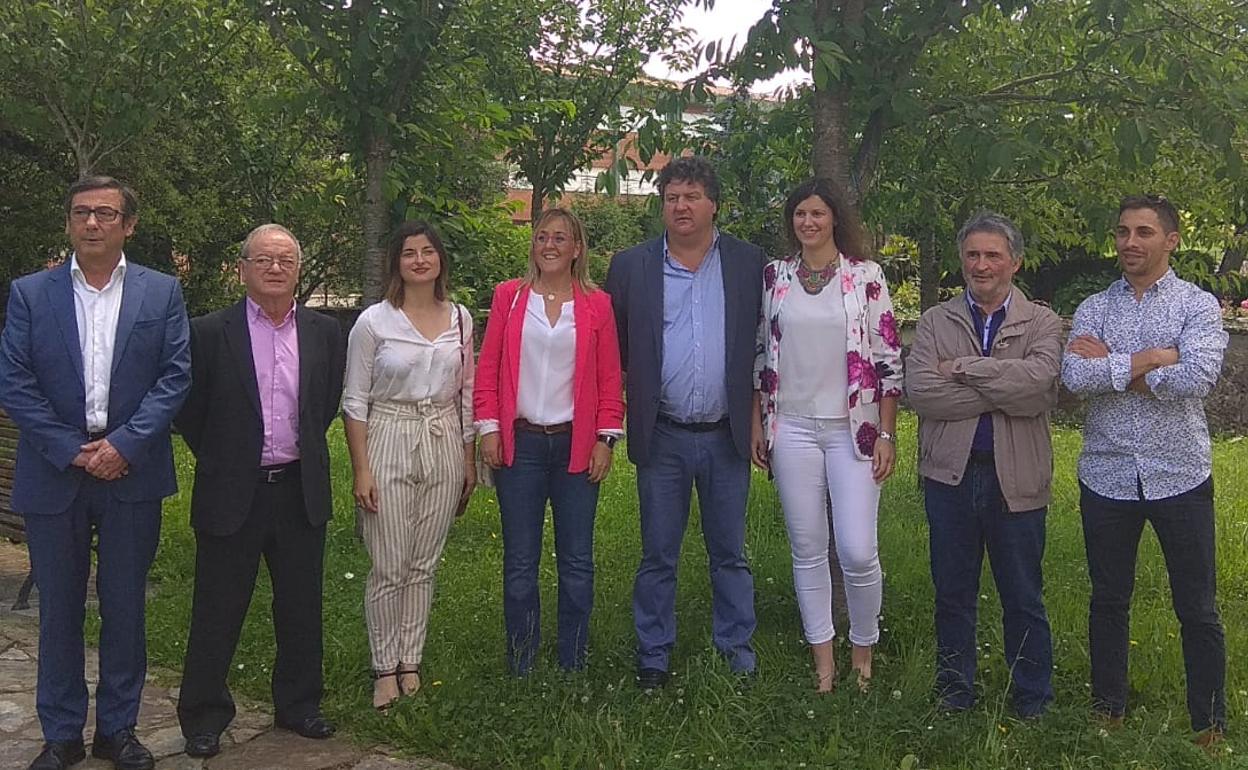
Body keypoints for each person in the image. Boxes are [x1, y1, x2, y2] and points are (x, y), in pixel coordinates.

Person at [0, 176, 190, 770]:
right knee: (58, 607)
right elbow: (15, 381)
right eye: (81, 212)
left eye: (106, 214)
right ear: (68, 223)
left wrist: (125, 444)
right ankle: (60, 734)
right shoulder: (31, 294)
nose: (92, 224)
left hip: (131, 471)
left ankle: (118, 729)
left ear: (128, 225)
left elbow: (175, 376)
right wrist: (71, 449)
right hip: (57, 471)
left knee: (124, 603)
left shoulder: (161, 293)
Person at [174, 224, 345, 758]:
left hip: (299, 488)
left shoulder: (323, 332)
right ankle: (204, 715)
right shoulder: (207, 331)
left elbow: (326, 405)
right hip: (232, 489)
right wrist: (229, 458)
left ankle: (299, 705)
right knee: (217, 608)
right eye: (264, 259)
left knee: (300, 606)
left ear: (299, 270)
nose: (275, 268)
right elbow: (190, 412)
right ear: (242, 268)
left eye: (286, 260)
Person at [1062, 194, 1227, 746]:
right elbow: (1073, 378)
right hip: (1106, 475)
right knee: (1108, 599)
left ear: (1171, 240)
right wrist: (1157, 357)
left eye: (1144, 232)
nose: (1130, 243)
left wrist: (1111, 364)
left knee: (1197, 606)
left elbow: (1199, 378)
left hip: (1179, 473)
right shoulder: (1094, 306)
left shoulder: (1197, 306)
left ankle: (1208, 723)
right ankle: (1108, 710)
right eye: (1123, 232)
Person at [604, 156, 765, 688]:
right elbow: (617, 348)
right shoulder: (631, 267)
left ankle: (736, 650)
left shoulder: (749, 264)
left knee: (730, 553)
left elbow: (764, 346)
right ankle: (653, 655)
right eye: (672, 197)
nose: (681, 206)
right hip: (665, 433)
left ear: (713, 203)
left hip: (726, 434)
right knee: (658, 554)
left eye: (692, 196)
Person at [905, 211, 1060, 718]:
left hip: (1017, 477)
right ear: (961, 260)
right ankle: (955, 693)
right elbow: (923, 394)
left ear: (1014, 262)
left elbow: (1039, 388)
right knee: (952, 592)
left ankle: (1031, 700)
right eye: (973, 254)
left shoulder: (1042, 321)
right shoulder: (934, 321)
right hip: (950, 476)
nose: (981, 264)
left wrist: (966, 370)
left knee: (1022, 595)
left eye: (993, 254)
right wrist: (1002, 390)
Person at [750, 178, 902, 693]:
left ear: (835, 218)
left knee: (858, 550)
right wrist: (758, 423)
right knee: (807, 547)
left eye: (818, 213)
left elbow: (887, 362)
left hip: (852, 431)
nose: (808, 222)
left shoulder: (867, 277)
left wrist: (887, 433)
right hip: (790, 426)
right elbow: (761, 356)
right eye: (800, 214)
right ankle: (824, 660)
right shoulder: (775, 277)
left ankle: (864, 651)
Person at [475, 207, 623, 675]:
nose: (550, 245)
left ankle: (572, 661)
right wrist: (489, 428)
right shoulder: (510, 298)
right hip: (522, 445)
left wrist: (606, 438)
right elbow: (489, 369)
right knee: (520, 561)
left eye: (561, 238)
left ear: (577, 248)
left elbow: (609, 377)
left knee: (576, 561)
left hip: (575, 446)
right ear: (533, 245)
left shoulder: (597, 305)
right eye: (542, 237)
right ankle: (521, 660)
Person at [342, 221, 476, 709]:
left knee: (422, 564)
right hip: (390, 435)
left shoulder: (461, 318)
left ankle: (410, 660)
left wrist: (468, 461)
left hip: (441, 436)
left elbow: (466, 395)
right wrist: (362, 469)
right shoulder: (374, 322)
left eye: (427, 252)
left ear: (440, 260)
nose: (419, 260)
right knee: (389, 564)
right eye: (408, 253)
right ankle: (383, 665)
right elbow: (355, 402)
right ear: (396, 263)